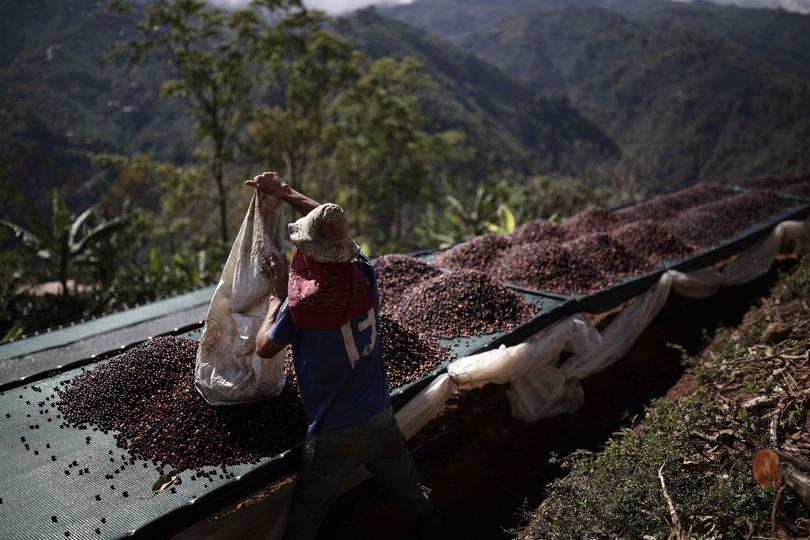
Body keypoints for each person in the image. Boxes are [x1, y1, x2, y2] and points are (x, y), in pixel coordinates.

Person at [246, 171, 439, 540]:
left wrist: (275, 297)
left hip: (334, 433)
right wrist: (285, 191)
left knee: (306, 517)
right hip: (380, 415)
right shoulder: (363, 273)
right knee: (409, 492)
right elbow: (330, 224)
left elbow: (264, 347)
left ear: (310, 255)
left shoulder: (301, 306)